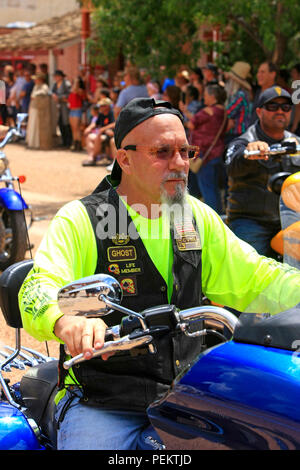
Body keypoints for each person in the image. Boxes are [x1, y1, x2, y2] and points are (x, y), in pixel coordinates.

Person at [19, 96, 300, 451]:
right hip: (106, 401)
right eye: (162, 152)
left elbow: (257, 277)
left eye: (185, 151)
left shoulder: (195, 216)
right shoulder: (82, 219)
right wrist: (67, 320)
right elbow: (39, 286)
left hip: (187, 393)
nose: (179, 163)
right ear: (125, 158)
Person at [225, 85, 300, 258]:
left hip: (290, 221)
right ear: (259, 112)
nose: (280, 111)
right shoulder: (244, 142)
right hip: (251, 221)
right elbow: (231, 165)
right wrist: (248, 154)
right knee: (249, 272)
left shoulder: (296, 143)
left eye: (286, 107)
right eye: (272, 106)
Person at [187, 84, 227, 214]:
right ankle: (220, 216)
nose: (204, 97)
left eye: (206, 94)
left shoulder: (208, 111)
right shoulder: (223, 112)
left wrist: (184, 111)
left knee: (207, 189)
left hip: (204, 154)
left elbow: (191, 124)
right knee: (214, 189)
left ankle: (212, 218)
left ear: (213, 96)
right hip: (217, 152)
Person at [82, 97, 115, 167]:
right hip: (103, 134)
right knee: (89, 137)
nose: (100, 107)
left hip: (110, 135)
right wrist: (89, 128)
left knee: (98, 136)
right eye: (100, 106)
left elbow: (114, 123)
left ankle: (93, 158)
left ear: (107, 106)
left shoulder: (112, 113)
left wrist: (103, 129)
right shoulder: (101, 114)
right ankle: (91, 156)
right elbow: (96, 124)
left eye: (102, 106)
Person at [224, 62, 252, 144]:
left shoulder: (240, 95)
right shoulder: (239, 94)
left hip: (237, 134)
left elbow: (228, 112)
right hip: (235, 133)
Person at [26, 73, 53, 150]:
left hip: (40, 110)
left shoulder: (44, 86)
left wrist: (36, 95)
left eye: (36, 79)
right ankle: (32, 142)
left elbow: (44, 93)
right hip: (34, 108)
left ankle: (38, 143)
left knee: (37, 126)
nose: (35, 80)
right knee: (32, 125)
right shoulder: (36, 86)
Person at [52, 70, 72, 148]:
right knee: (60, 123)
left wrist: (59, 97)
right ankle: (63, 141)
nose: (55, 78)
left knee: (66, 123)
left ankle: (68, 142)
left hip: (65, 106)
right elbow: (53, 92)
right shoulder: (55, 84)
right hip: (58, 106)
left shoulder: (66, 84)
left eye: (57, 76)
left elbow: (69, 95)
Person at [68, 77, 85, 152]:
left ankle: (78, 144)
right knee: (73, 128)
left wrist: (76, 83)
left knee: (77, 128)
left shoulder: (79, 90)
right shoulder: (72, 90)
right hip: (72, 110)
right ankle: (75, 143)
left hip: (77, 110)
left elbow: (75, 91)